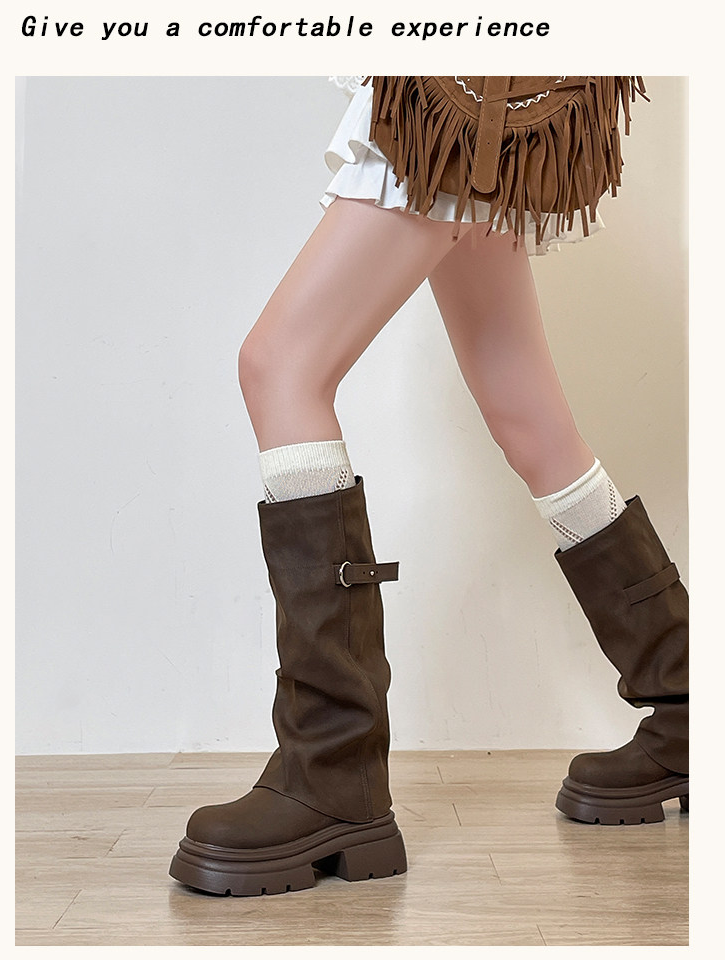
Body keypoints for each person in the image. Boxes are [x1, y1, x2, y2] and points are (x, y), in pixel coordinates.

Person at [169, 76, 688, 896]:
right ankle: (694, 703)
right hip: (496, 90)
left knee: (280, 366)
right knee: (527, 418)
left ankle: (331, 774)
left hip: (467, 92)